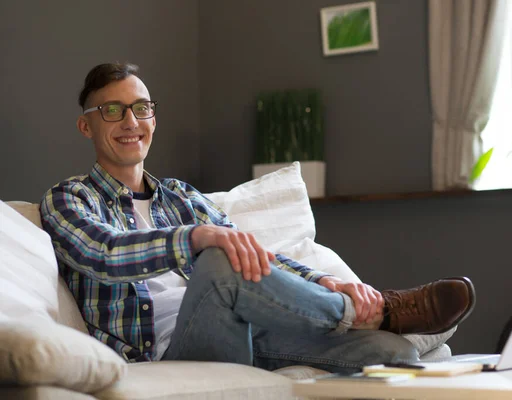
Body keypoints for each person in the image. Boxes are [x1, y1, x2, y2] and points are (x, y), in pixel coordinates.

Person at [41, 63, 476, 372]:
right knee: (215, 257)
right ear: (87, 126)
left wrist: (325, 281)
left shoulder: (180, 197)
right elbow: (103, 253)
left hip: (240, 332)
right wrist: (196, 238)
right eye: (112, 111)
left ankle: (370, 316)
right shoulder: (69, 198)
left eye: (141, 107)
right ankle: (382, 308)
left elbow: (253, 257)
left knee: (392, 353)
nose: (130, 121)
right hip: (161, 349)